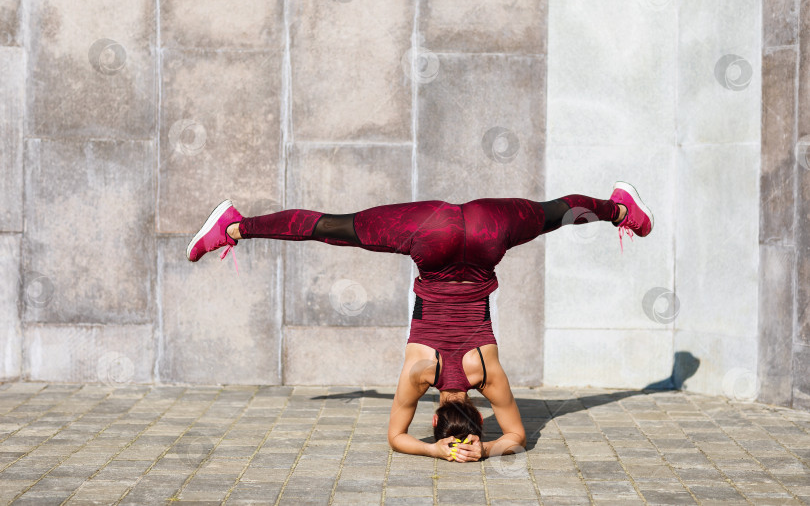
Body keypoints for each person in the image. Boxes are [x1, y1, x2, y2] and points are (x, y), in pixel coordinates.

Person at [186, 182, 654, 462]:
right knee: (331, 228)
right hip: (428, 236)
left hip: (487, 232)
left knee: (557, 214)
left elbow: (516, 436)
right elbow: (395, 437)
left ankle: (617, 208)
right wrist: (434, 450)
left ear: (476, 413)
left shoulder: (487, 378)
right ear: (433, 416)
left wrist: (485, 447)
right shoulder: (417, 376)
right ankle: (234, 226)